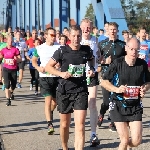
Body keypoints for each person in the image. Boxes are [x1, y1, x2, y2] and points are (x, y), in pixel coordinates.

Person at [45, 25, 95, 150]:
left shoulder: (86, 49)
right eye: (73, 36)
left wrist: (92, 69)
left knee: (80, 125)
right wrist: (61, 73)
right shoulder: (62, 51)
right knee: (64, 124)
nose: (76, 39)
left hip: (81, 90)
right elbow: (48, 67)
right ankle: (65, 147)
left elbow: (91, 59)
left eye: (78, 36)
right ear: (69, 36)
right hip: (64, 91)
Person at [100, 38, 150, 150]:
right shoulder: (117, 63)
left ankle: (127, 146)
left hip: (135, 105)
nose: (134, 52)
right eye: (131, 49)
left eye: (137, 50)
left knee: (137, 141)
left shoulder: (142, 64)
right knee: (125, 139)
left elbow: (148, 81)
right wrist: (116, 89)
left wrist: (144, 88)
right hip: (118, 104)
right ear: (126, 48)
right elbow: (103, 81)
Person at [97, 22, 126, 132]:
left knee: (115, 100)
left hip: (118, 76)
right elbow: (97, 60)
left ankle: (113, 122)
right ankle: (101, 113)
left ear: (117, 31)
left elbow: (125, 60)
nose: (113, 31)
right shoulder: (102, 44)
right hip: (106, 76)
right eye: (111, 29)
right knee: (106, 101)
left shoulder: (122, 45)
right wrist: (104, 62)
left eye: (114, 29)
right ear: (107, 31)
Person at [32, 27, 60, 135]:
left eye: (55, 35)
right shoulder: (39, 48)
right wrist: (38, 68)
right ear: (46, 36)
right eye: (51, 35)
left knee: (55, 101)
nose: (54, 37)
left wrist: (60, 64)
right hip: (44, 77)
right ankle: (50, 124)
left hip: (56, 76)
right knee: (48, 100)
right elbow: (34, 60)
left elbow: (65, 60)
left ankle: (50, 112)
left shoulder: (60, 47)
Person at [80, 18, 100, 146]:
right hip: (79, 76)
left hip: (92, 75)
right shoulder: (77, 40)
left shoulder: (96, 40)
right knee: (81, 106)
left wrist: (96, 69)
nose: (87, 29)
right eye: (85, 27)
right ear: (81, 27)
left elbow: (99, 58)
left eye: (89, 27)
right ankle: (80, 131)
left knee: (92, 103)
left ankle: (93, 133)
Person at [0, 35, 22, 106]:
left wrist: (17, 59)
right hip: (6, 69)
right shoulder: (3, 50)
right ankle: (8, 100)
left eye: (11, 41)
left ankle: (11, 92)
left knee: (13, 85)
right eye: (9, 40)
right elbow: (0, 57)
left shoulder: (15, 49)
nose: (10, 42)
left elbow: (20, 59)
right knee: (7, 85)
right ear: (6, 41)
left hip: (13, 69)